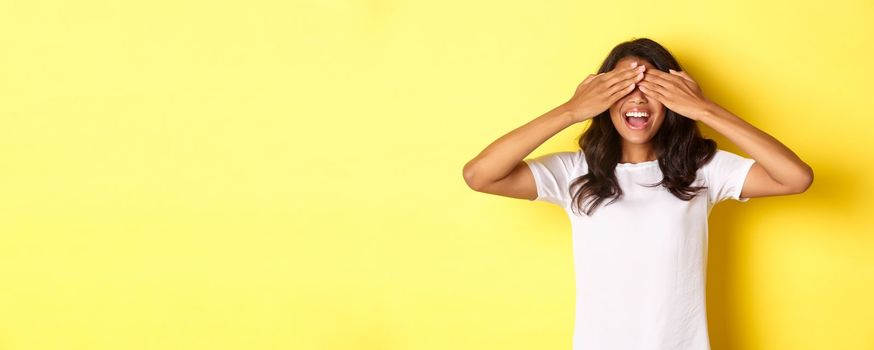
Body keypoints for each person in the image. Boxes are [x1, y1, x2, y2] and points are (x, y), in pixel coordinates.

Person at [461, 37, 814, 350]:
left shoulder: (701, 170)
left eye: (651, 86)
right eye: (622, 87)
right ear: (602, 100)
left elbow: (795, 178)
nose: (637, 98)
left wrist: (704, 108)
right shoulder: (574, 173)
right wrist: (571, 110)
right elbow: (480, 175)